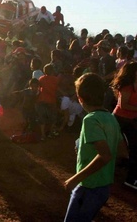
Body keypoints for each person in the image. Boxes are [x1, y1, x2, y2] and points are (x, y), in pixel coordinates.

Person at [64, 73, 123, 221]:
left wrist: (74, 179)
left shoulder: (90, 119)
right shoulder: (111, 118)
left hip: (89, 186)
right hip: (103, 186)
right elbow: (122, 151)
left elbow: (105, 155)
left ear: (80, 98)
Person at [111, 62, 137, 190]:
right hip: (120, 120)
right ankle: (131, 179)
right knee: (134, 148)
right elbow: (123, 105)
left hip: (130, 120)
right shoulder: (127, 86)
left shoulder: (134, 85)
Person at [36, 64, 59, 140]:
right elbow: (57, 89)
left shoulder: (41, 78)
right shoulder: (56, 79)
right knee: (52, 118)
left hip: (41, 100)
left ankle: (43, 135)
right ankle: (50, 132)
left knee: (42, 118)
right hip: (51, 101)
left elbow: (38, 89)